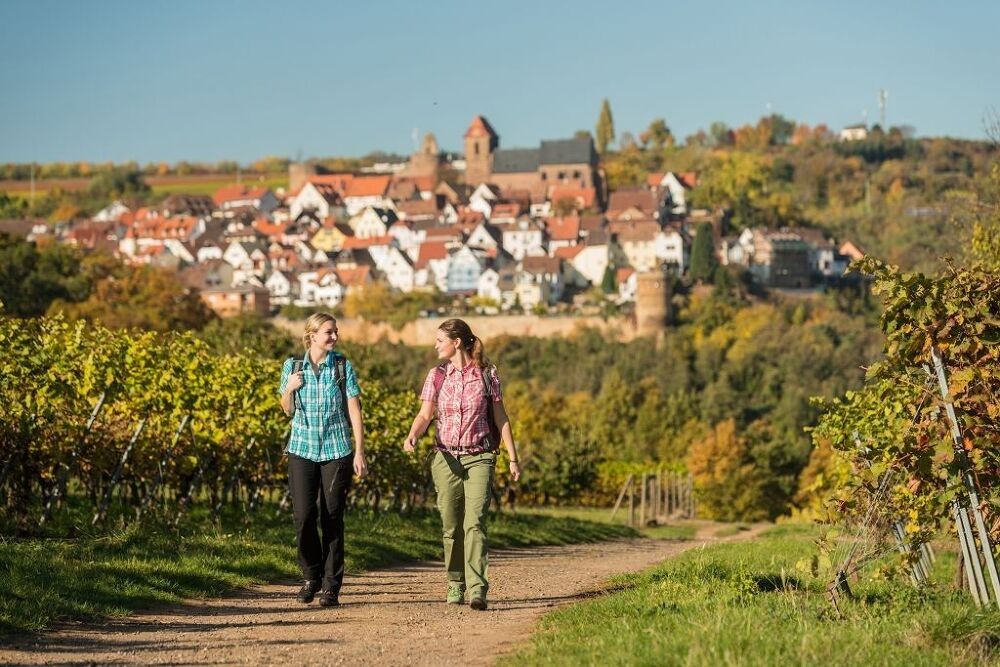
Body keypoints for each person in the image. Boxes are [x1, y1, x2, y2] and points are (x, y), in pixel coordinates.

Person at [403, 318, 520, 611]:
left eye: (439, 340)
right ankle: (456, 581)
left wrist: (513, 457)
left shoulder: (487, 374)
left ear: (456, 342)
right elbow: (425, 414)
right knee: (451, 525)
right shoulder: (437, 375)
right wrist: (413, 435)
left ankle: (477, 589)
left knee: (475, 523)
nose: (435, 345)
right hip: (445, 458)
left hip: (480, 456)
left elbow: (500, 417)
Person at [279, 312, 367, 607]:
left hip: (336, 450)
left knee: (332, 518)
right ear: (312, 335)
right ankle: (311, 575)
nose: (334, 337)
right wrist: (289, 389)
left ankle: (331, 587)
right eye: (329, 332)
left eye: (336, 332)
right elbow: (286, 410)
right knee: (303, 517)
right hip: (302, 450)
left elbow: (354, 410)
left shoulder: (342, 367)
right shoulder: (292, 367)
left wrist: (360, 451)